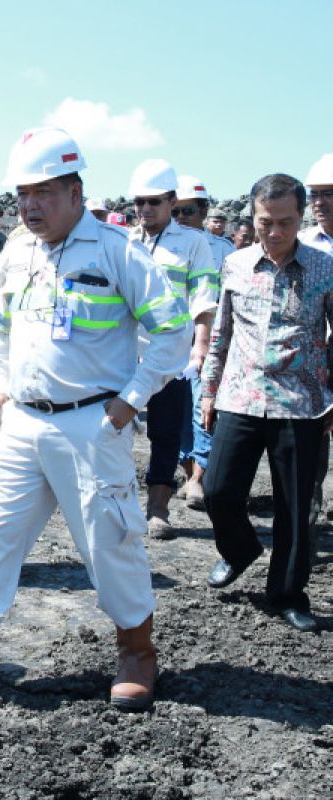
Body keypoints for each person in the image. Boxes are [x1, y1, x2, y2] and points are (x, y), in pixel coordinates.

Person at [0, 128, 191, 712]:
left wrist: (130, 400)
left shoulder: (116, 250)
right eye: (24, 193)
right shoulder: (16, 252)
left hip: (92, 426)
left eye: (45, 192)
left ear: (76, 192)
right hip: (23, 423)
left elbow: (172, 328)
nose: (31, 205)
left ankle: (136, 654)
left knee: (112, 542)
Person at [201, 173, 333, 634]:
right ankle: (239, 550)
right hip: (240, 394)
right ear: (252, 218)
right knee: (216, 490)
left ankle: (288, 594)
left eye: (284, 222)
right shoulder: (235, 265)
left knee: (296, 509)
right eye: (264, 222)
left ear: (300, 219)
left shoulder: (324, 268)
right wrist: (209, 390)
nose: (274, 232)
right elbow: (221, 333)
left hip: (303, 404)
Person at [126, 159, 216, 539]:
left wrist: (199, 347)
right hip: (125, 354)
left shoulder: (194, 243)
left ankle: (158, 509)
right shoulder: (125, 241)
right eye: (139, 202)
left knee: (164, 433)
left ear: (172, 201)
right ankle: (116, 504)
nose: (146, 210)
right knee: (114, 429)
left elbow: (203, 298)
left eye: (155, 202)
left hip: (171, 357)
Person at [173, 176, 234, 508]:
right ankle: (188, 471)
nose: (181, 218)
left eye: (188, 211)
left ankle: (200, 477)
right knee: (178, 410)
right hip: (174, 342)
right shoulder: (167, 247)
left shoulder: (225, 251)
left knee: (204, 410)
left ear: (204, 211)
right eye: (176, 211)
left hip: (209, 343)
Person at [301, 155, 333, 535]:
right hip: (314, 367)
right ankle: (303, 539)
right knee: (309, 459)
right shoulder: (304, 245)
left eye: (329, 194)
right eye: (314, 195)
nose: (320, 203)